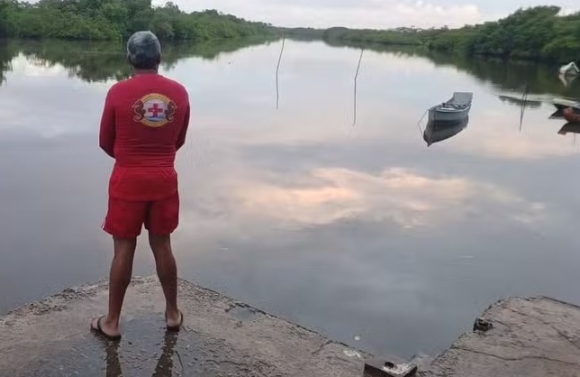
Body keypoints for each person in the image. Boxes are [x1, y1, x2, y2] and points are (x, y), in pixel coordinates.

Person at [90, 31, 190, 341]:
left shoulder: (118, 92)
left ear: (130, 58)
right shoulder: (180, 92)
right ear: (160, 57)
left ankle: (112, 322)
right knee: (162, 244)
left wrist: (130, 158)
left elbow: (105, 141)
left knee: (123, 248)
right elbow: (179, 140)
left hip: (128, 179)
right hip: (164, 179)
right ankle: (173, 313)